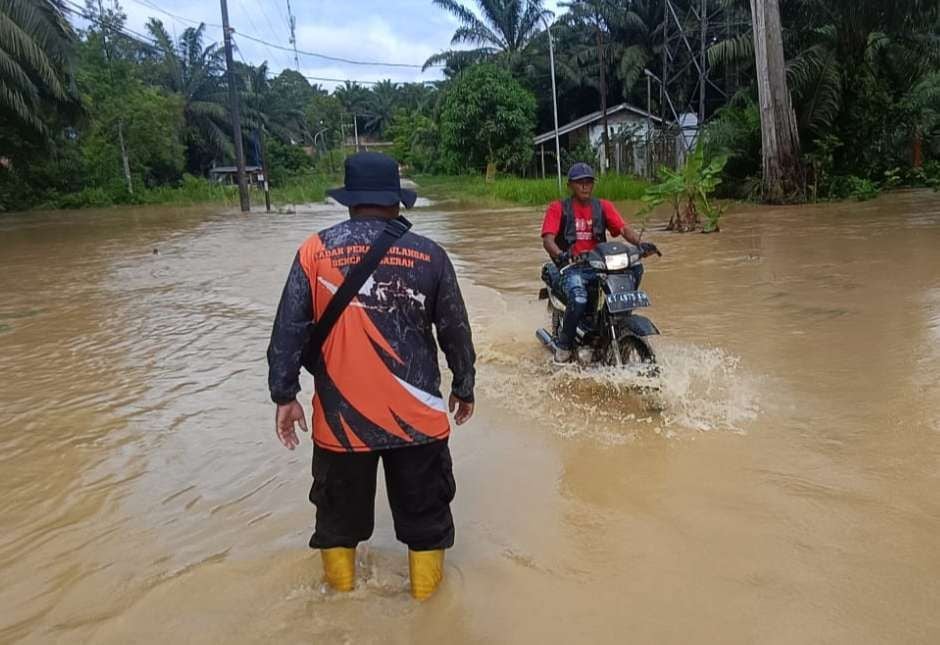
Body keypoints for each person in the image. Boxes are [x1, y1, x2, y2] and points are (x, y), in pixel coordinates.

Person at [266, 151, 476, 601]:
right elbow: (455, 329)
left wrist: (285, 395)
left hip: (341, 424)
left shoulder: (313, 252)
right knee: (426, 527)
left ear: (349, 202)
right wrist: (464, 385)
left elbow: (287, 330)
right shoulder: (430, 255)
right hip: (417, 422)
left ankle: (341, 613)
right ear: (396, 203)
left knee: (337, 526)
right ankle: (428, 621)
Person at [540, 162, 657, 363]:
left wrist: (641, 245)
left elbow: (623, 229)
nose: (585, 186)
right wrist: (560, 255)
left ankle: (616, 321)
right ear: (570, 185)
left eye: (589, 182)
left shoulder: (603, 206)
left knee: (635, 267)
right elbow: (548, 239)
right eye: (580, 183)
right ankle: (564, 348)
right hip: (572, 268)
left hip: (600, 265)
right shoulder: (558, 208)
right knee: (578, 298)